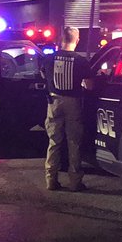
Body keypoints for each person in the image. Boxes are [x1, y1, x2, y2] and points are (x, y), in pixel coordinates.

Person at [44, 26, 91, 191]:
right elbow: (90, 85)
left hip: (54, 102)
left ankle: (51, 180)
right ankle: (75, 182)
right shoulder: (80, 61)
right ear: (77, 41)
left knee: (54, 141)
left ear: (60, 40)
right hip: (73, 103)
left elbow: (44, 76)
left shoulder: (48, 59)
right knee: (74, 142)